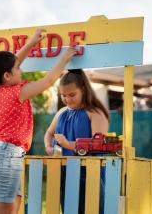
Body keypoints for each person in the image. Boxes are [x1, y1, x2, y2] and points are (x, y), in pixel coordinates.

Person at [0, 29, 77, 214]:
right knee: (4, 209)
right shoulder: (17, 92)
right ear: (7, 75)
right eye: (18, 69)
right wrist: (65, 58)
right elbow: (48, 81)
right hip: (7, 154)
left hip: (3, 152)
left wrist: (31, 43)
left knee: (16, 202)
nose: (20, 69)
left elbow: (14, 61)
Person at [44, 69, 109, 214]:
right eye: (63, 95)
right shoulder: (61, 112)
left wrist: (69, 144)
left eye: (72, 95)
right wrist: (48, 146)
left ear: (84, 90)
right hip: (64, 173)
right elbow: (49, 133)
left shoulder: (95, 113)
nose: (67, 99)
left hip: (89, 173)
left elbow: (98, 144)